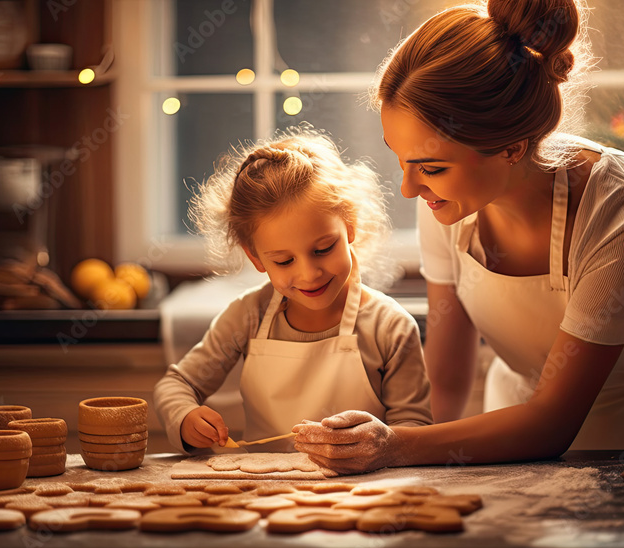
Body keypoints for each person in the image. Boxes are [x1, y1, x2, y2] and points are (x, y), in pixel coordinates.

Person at [293, 0, 624, 473]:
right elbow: (449, 374)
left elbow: (552, 422)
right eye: (401, 158)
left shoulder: (621, 205)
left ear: (512, 148)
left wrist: (394, 446)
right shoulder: (447, 200)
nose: (409, 188)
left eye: (431, 167)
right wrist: (402, 464)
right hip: (513, 442)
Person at [154, 127, 433, 453]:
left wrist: (385, 444)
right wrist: (186, 417)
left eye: (323, 249)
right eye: (284, 261)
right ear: (255, 257)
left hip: (362, 494)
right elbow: (177, 384)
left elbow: (412, 430)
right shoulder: (248, 316)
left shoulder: (390, 327)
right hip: (266, 492)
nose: (309, 274)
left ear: (350, 226)